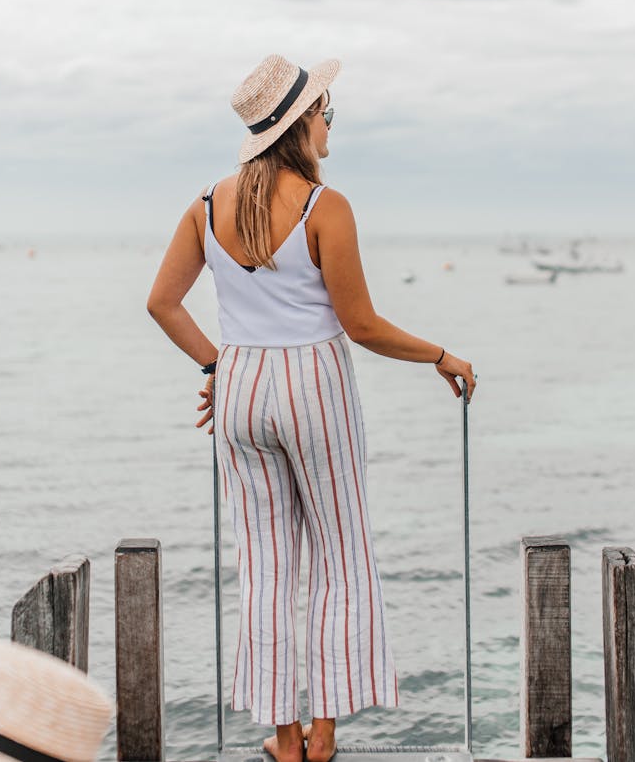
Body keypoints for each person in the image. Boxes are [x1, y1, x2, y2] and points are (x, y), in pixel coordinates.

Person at [147, 54, 476, 762]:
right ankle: (324, 735)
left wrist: (219, 364)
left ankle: (285, 739)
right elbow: (360, 324)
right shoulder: (326, 208)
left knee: (265, 567)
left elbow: (162, 303)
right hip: (313, 385)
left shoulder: (205, 205)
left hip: (241, 387)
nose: (332, 125)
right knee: (341, 556)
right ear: (300, 124)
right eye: (327, 112)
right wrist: (440, 354)